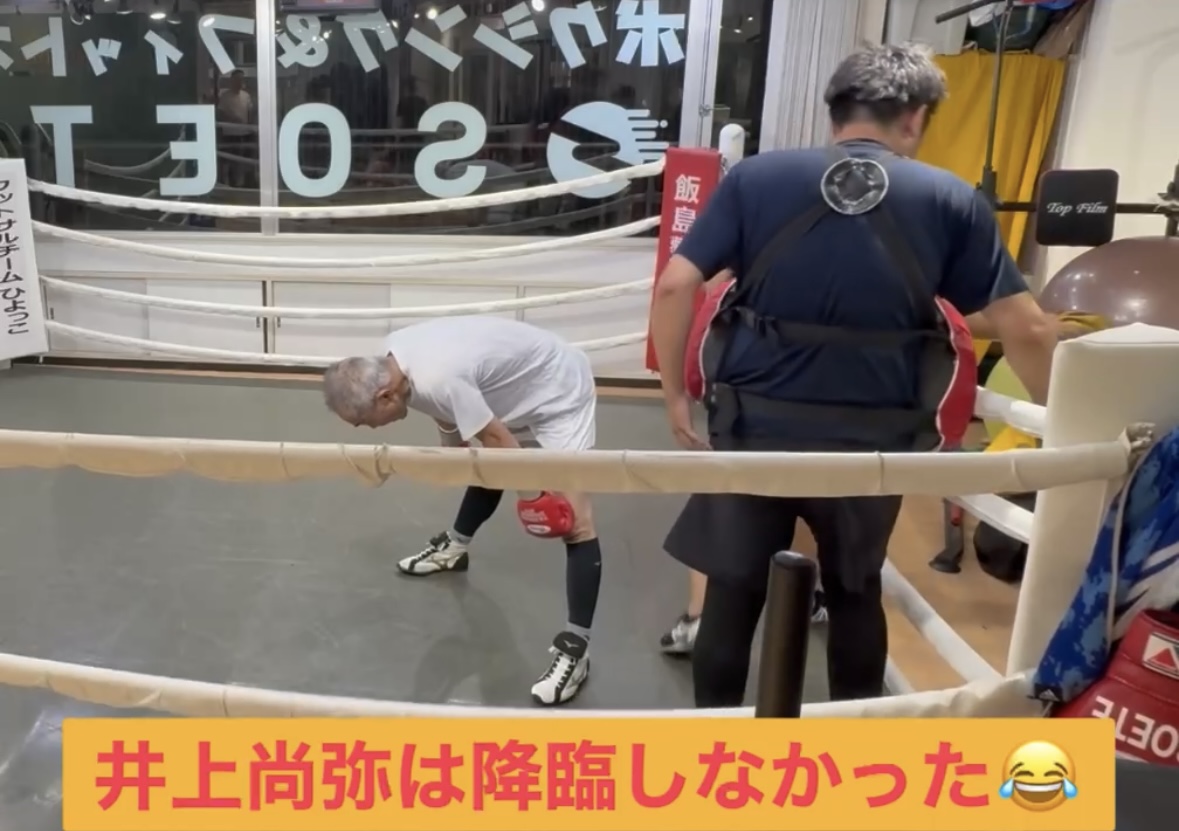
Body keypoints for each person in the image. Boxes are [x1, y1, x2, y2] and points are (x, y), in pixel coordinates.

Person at [648, 43, 1058, 707]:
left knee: (733, 590)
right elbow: (1029, 329)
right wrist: (1063, 430)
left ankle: (713, 750)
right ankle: (853, 747)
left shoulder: (756, 179)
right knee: (854, 590)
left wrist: (674, 396)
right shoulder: (950, 198)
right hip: (874, 442)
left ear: (834, 111)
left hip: (754, 426)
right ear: (915, 117)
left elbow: (674, 286)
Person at [321, 317, 602, 707]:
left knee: (576, 522)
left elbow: (493, 436)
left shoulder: (438, 376)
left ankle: (577, 648)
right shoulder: (394, 361)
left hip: (558, 390)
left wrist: (535, 498)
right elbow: (444, 406)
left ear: (385, 397)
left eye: (364, 422)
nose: (367, 430)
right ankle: (455, 547)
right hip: (514, 387)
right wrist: (452, 447)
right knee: (489, 463)